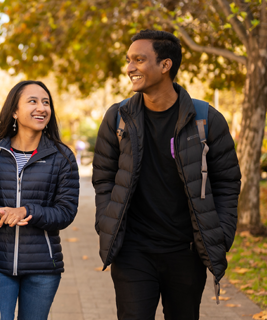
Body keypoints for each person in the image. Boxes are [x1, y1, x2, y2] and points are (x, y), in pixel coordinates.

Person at [92, 30, 241, 320]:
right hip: (133, 251)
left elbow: (227, 182)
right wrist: (105, 223)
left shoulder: (206, 119)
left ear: (165, 65)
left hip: (186, 252)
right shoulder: (118, 118)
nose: (130, 68)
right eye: (128, 60)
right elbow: (103, 179)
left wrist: (220, 235)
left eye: (139, 59)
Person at [0, 80, 80, 320]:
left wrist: (26, 211)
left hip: (44, 267)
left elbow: (66, 211)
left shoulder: (62, 156)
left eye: (46, 102)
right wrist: (2, 212)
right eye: (32, 101)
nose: (41, 108)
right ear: (14, 111)